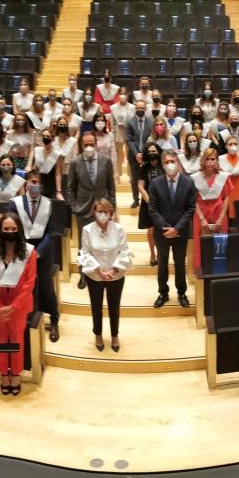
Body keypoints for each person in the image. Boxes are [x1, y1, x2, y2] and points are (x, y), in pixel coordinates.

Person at [0, 213, 38, 396]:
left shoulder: (29, 252)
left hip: (18, 306)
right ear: (0, 230)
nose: (10, 232)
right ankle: (3, 373)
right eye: (6, 229)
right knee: (0, 341)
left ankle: (15, 373)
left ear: (19, 230)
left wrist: (13, 306)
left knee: (15, 340)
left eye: (13, 229)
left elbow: (29, 283)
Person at [9, 170, 60, 341]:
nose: (35, 185)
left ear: (42, 186)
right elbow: (12, 229)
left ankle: (54, 320)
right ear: (26, 184)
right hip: (21, 250)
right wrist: (24, 251)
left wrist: (39, 252)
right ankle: (29, 320)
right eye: (32, 181)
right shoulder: (15, 203)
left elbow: (51, 233)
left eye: (38, 182)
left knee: (46, 287)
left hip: (42, 251)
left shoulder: (48, 204)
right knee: (23, 288)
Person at [79, 198, 133, 352]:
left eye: (106, 211)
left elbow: (124, 251)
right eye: (99, 211)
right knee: (96, 307)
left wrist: (113, 271)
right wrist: (99, 271)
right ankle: (98, 334)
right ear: (94, 212)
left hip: (115, 275)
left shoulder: (118, 229)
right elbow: (85, 253)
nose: (103, 214)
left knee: (114, 306)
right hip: (95, 276)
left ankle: (115, 335)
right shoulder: (87, 230)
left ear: (111, 213)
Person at [148, 151, 196, 309]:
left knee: (180, 263)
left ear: (177, 162)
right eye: (167, 162)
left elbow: (190, 209)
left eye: (172, 161)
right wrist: (166, 228)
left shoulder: (188, 182)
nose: (170, 165)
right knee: (162, 264)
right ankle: (163, 293)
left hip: (180, 232)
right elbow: (153, 209)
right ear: (162, 165)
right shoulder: (156, 183)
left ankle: (182, 293)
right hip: (162, 232)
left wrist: (177, 228)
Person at [67, 132, 116, 287]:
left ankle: (104, 272)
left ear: (96, 144)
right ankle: (84, 275)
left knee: (103, 242)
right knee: (84, 245)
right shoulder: (75, 162)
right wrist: (75, 207)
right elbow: (70, 188)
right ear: (81, 145)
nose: (89, 147)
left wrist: (112, 208)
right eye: (86, 145)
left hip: (103, 210)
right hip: (83, 209)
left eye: (91, 144)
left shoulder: (106, 161)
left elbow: (111, 187)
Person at [191, 148, 231, 273]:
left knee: (219, 245)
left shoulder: (223, 177)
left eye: (213, 159)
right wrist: (201, 219)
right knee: (201, 245)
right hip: (201, 214)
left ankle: (219, 272)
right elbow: (193, 200)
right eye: (207, 159)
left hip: (219, 213)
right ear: (202, 161)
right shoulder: (195, 178)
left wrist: (221, 218)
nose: (210, 162)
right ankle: (201, 272)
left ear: (217, 161)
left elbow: (226, 197)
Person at [137, 143, 165, 265]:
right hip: (148, 202)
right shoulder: (144, 168)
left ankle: (160, 253)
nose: (152, 153)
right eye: (149, 152)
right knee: (151, 231)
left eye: (154, 151)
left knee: (161, 230)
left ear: (158, 151)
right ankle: (152, 254)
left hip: (163, 202)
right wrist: (149, 200)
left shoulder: (164, 166)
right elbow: (140, 186)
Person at [0, 155, 25, 225]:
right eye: (3, 165)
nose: (6, 167)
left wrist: (11, 215)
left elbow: (22, 199)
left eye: (8, 164)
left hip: (12, 213)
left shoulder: (19, 180)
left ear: (13, 166)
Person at [126, 101, 152, 207]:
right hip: (134, 155)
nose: (140, 110)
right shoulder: (130, 122)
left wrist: (144, 154)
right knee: (135, 179)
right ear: (135, 108)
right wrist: (136, 154)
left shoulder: (150, 123)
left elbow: (151, 139)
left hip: (147, 156)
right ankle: (136, 199)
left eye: (142, 108)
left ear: (145, 109)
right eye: (138, 108)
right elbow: (129, 139)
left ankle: (146, 199)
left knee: (147, 178)